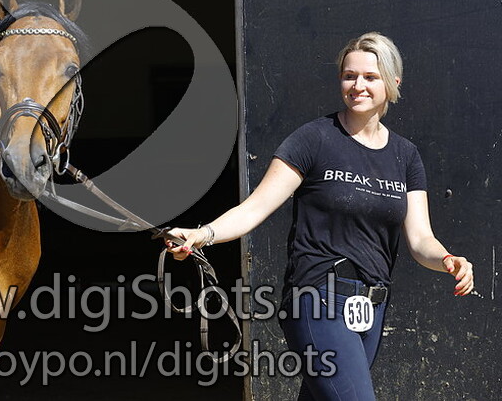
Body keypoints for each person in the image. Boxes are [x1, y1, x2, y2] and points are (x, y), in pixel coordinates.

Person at [166, 32, 474, 400]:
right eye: (349, 76)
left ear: (393, 82)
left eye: (370, 77)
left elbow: (421, 239)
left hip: (372, 306)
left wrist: (447, 260)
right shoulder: (314, 140)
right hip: (316, 299)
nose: (357, 85)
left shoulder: (405, 156)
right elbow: (254, 208)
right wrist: (202, 234)